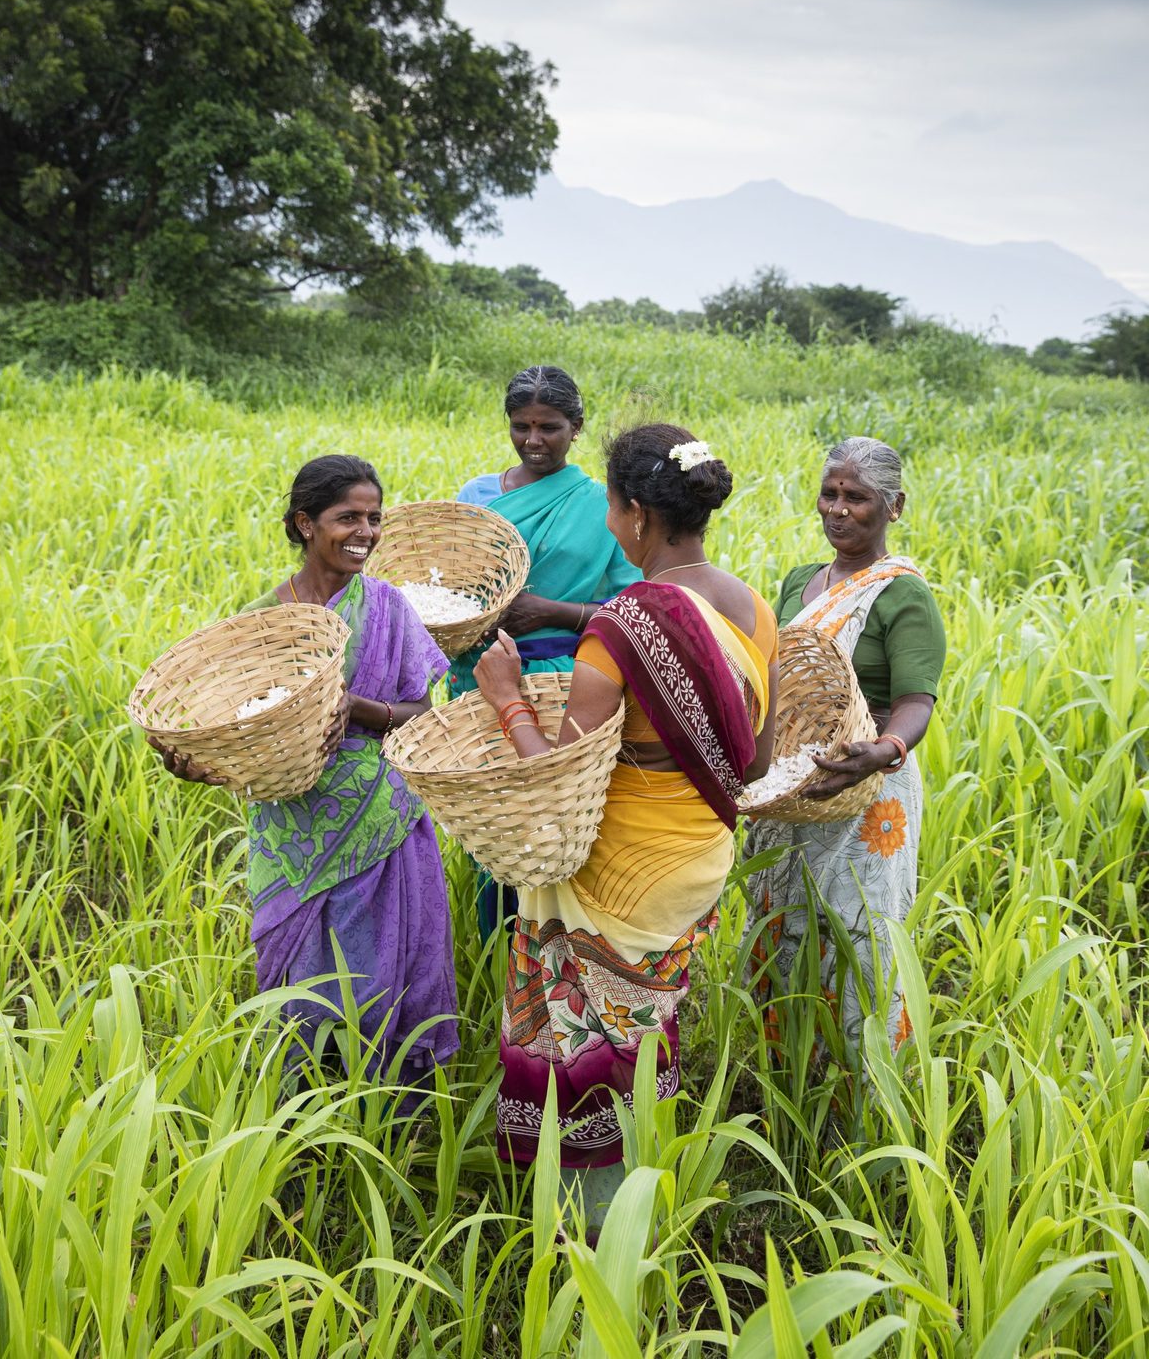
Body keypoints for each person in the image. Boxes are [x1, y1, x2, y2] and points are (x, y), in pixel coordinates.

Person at [474, 423, 777, 1232]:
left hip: (614, 868)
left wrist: (505, 693)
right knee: (647, 1023)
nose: (609, 523)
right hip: (696, 862)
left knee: (586, 1037)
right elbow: (755, 762)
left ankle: (593, 1227)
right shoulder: (754, 607)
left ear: (638, 514)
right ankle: (647, 1190)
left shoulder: (621, 625)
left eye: (611, 508)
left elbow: (557, 779)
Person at [159, 455, 459, 1085]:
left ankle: (385, 1114)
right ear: (304, 523)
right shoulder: (264, 620)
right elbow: (240, 731)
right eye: (347, 517)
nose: (366, 532)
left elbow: (419, 712)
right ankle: (306, 1116)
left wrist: (353, 707)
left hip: (378, 818)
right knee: (301, 980)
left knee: (378, 977)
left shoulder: (387, 609)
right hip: (290, 826)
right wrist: (196, 764)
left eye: (374, 518)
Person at [743, 436, 946, 1051]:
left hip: (869, 787)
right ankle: (789, 1076)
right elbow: (779, 676)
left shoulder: (902, 594)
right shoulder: (800, 582)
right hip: (796, 782)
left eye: (855, 497)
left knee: (863, 935)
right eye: (829, 494)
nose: (837, 509)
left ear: (894, 506)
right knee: (782, 925)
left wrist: (881, 751)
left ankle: (867, 1093)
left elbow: (916, 700)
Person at [454, 364, 641, 939]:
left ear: (576, 428)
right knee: (492, 822)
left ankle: (557, 954)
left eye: (549, 427)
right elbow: (452, 582)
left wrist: (553, 612)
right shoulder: (477, 495)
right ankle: (494, 956)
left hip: (564, 681)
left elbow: (633, 606)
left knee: (552, 823)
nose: (534, 441)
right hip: (480, 678)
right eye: (521, 426)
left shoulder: (598, 503)